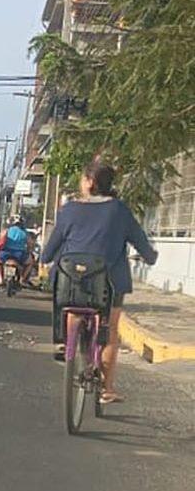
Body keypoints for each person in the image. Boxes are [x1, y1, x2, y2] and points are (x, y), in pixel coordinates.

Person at [40, 161, 158, 404]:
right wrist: (150, 257)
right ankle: (107, 388)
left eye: (83, 179)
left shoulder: (70, 210)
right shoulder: (120, 211)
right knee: (110, 332)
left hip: (71, 281)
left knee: (70, 306)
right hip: (110, 284)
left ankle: (65, 341)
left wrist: (46, 258)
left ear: (90, 182)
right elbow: (142, 245)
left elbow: (49, 251)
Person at [0, 215, 29, 285]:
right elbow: (30, 243)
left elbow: (0, 240)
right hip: (20, 255)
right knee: (30, 263)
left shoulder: (7, 230)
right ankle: (22, 279)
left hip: (5, 253)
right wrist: (29, 250)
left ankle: (0, 278)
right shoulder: (24, 232)